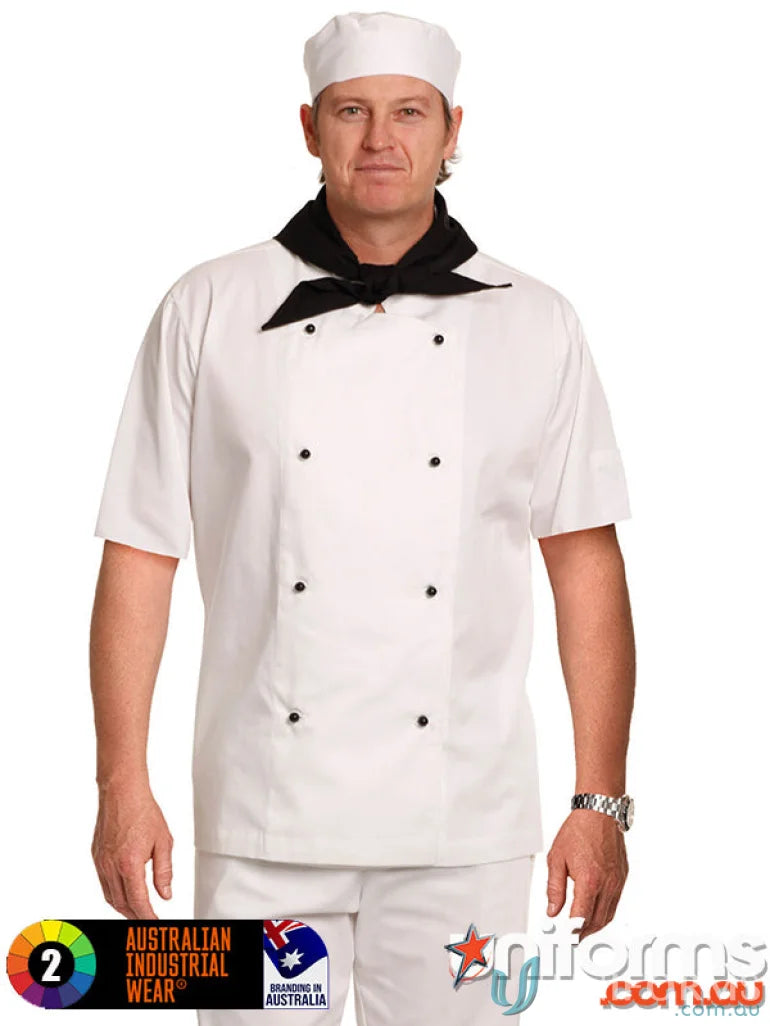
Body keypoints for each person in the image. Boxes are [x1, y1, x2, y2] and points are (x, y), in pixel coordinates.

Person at [89, 11, 636, 1025]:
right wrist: (122, 784)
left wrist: (598, 800)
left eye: (408, 113)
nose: (380, 138)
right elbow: (140, 552)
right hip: (260, 820)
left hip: (464, 826)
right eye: (351, 112)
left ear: (452, 128)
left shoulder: (538, 320)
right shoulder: (206, 305)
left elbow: (585, 566)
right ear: (309, 128)